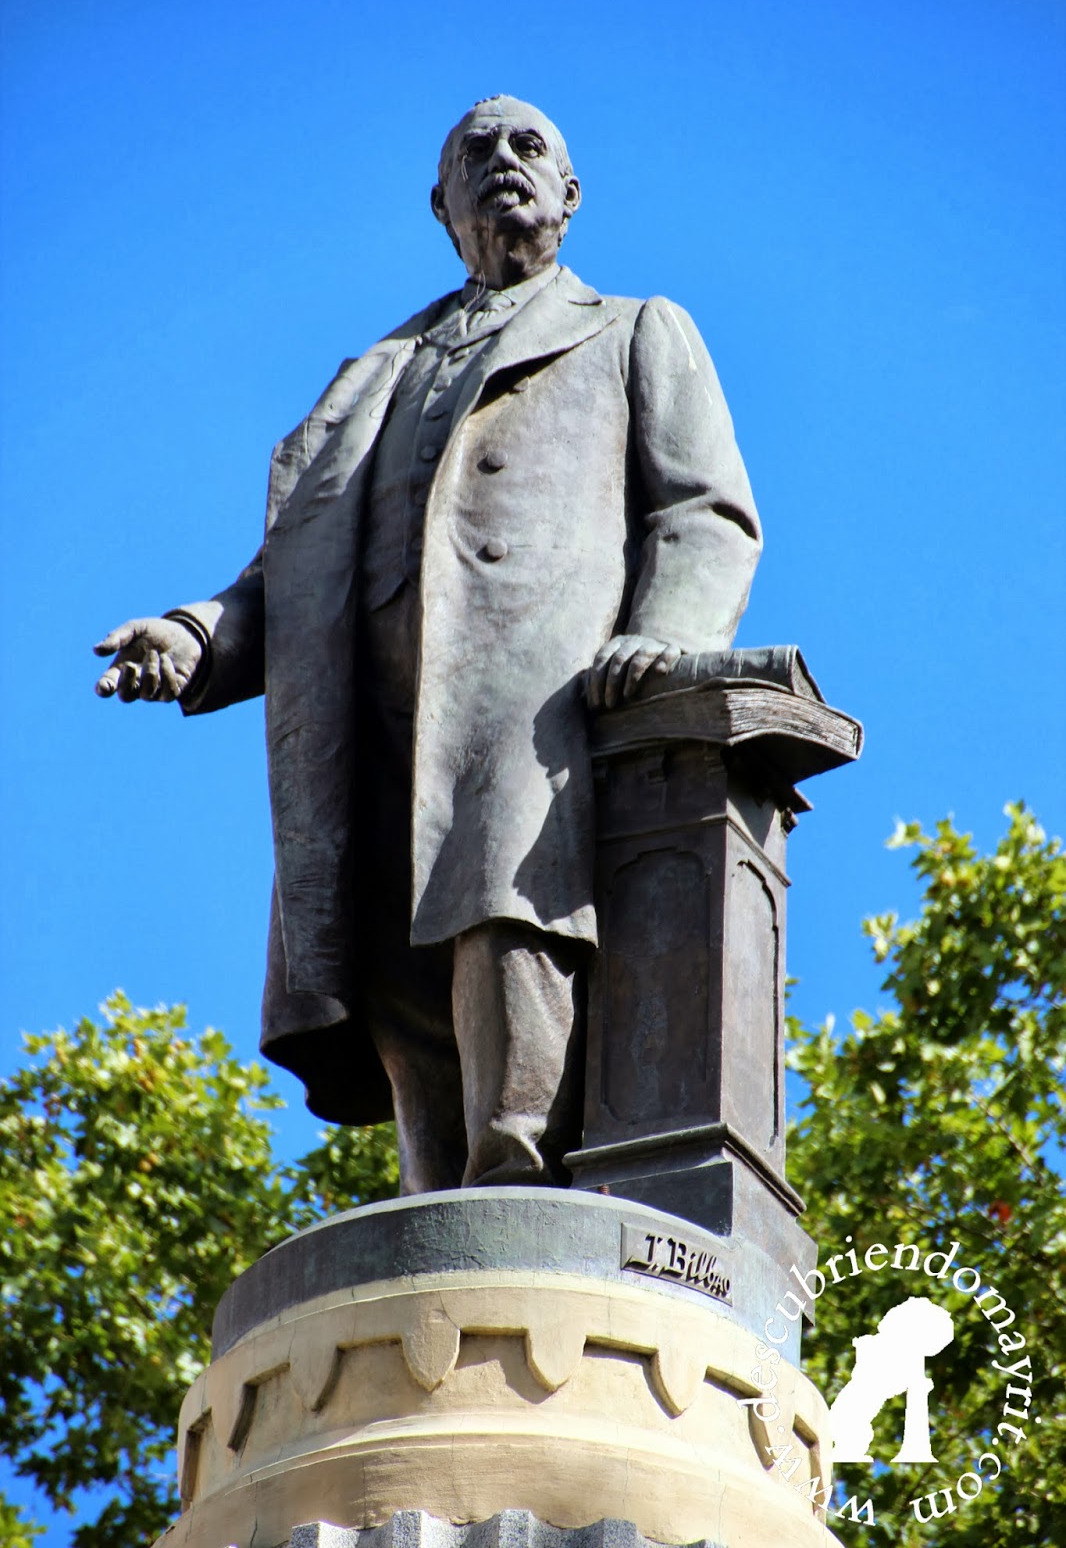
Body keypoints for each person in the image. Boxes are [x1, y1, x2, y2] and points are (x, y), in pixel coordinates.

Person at [94, 96, 762, 1195]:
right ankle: (435, 1198)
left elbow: (702, 512)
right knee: (389, 948)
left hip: (528, 695)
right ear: (440, 204)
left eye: (529, 147)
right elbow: (288, 578)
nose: (504, 162)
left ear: (570, 194)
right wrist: (194, 636)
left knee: (503, 910)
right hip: (365, 708)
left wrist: (664, 635)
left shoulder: (634, 328)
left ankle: (519, 1178)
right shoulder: (371, 378)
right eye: (475, 152)